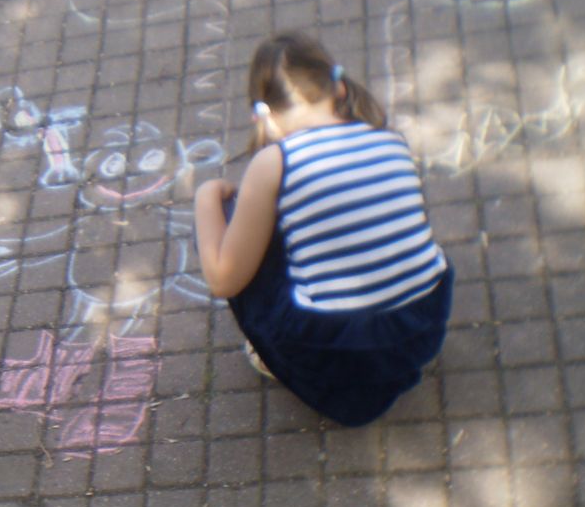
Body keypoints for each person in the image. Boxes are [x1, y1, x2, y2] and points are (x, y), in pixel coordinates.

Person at [193, 32, 453, 426]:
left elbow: (222, 280)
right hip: (423, 326)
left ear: (264, 115)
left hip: (340, 360)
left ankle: (282, 360)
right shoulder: (390, 139)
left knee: (229, 218)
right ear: (340, 87)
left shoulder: (275, 161)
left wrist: (206, 197)